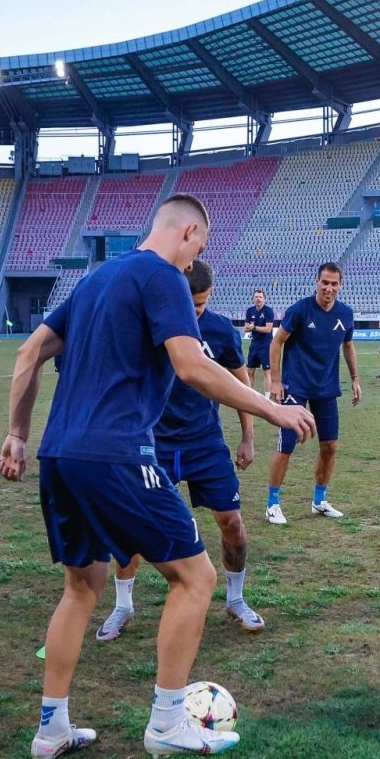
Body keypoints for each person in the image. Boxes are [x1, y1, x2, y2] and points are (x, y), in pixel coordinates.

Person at [0, 194, 315, 759]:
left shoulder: (95, 281)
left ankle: (51, 730)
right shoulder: (164, 274)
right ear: (188, 232)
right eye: (198, 249)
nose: (194, 264)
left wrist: (17, 433)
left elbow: (28, 353)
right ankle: (167, 722)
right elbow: (192, 366)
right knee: (194, 577)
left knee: (80, 587)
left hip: (60, 454)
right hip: (117, 453)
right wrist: (273, 409)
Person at [95, 258, 267, 643]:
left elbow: (241, 386)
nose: (196, 311)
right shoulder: (148, 326)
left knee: (232, 523)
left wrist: (248, 436)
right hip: (153, 443)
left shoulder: (220, 331)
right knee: (132, 525)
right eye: (190, 303)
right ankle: (123, 605)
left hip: (205, 443)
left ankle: (235, 599)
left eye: (202, 304)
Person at [264, 263, 362, 524]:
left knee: (329, 446)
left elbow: (348, 345)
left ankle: (319, 501)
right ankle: (272, 504)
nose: (329, 288)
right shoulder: (300, 310)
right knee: (287, 444)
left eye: (334, 283)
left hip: (326, 389)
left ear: (340, 285)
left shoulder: (345, 313)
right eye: (325, 282)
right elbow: (276, 342)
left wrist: (355, 379)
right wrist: (276, 382)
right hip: (295, 387)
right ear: (316, 282)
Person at [244, 289, 276, 398]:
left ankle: (267, 397)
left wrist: (254, 327)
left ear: (264, 299)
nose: (258, 299)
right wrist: (249, 328)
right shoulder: (250, 311)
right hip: (254, 344)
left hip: (266, 345)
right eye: (256, 297)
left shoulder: (268, 311)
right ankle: (249, 395)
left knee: (267, 371)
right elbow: (246, 328)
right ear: (253, 299)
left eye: (260, 297)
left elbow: (268, 329)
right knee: (250, 370)